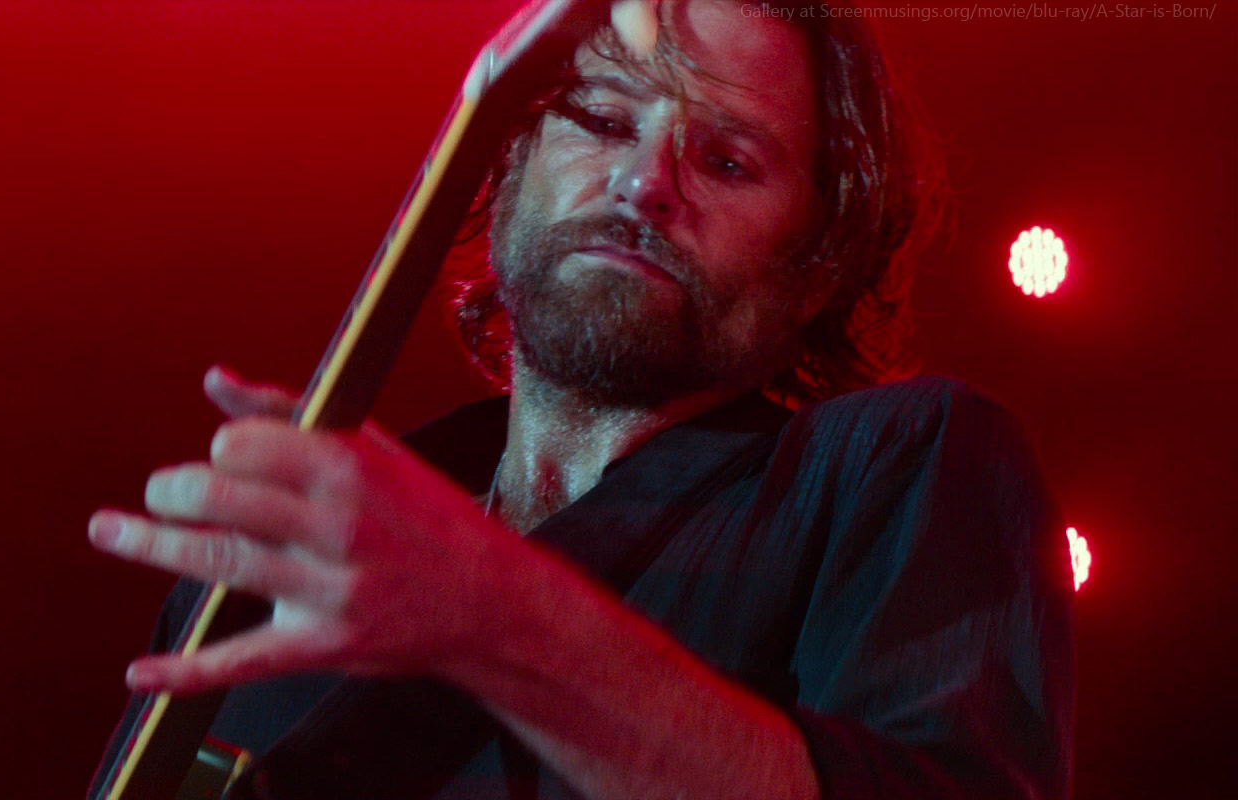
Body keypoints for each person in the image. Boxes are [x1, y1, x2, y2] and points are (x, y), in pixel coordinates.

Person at [87, 1, 1074, 797]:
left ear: (818, 263)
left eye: (727, 160)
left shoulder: (895, 465)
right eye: (602, 119)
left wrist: (489, 612)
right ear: (509, 164)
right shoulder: (288, 550)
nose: (645, 182)